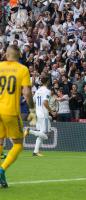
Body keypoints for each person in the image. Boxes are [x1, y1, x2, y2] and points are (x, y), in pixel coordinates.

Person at [0, 45, 35, 188]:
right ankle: (2, 170)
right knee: (18, 144)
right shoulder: (23, 69)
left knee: (0, 141)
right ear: (19, 55)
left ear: (6, 54)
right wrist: (32, 110)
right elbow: (27, 93)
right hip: (10, 112)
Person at [24, 76, 55, 156]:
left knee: (41, 133)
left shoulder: (38, 91)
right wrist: (52, 111)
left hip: (38, 114)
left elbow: (32, 101)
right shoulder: (47, 91)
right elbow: (45, 102)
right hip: (44, 115)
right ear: (48, 81)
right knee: (46, 135)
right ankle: (30, 131)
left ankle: (35, 151)